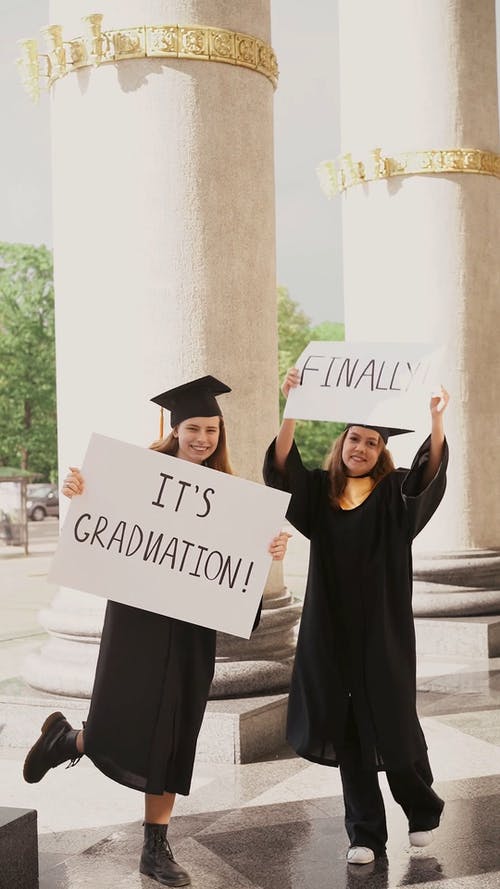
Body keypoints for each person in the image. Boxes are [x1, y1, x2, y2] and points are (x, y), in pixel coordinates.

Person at [23, 375, 290, 887]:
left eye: (212, 430)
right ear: (175, 428)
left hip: (190, 629)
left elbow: (235, 572)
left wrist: (266, 554)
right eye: (194, 427)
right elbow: (104, 526)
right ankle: (73, 740)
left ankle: (154, 845)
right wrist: (81, 493)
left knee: (172, 733)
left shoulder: (232, 497)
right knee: (120, 714)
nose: (203, 439)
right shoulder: (138, 477)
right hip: (139, 619)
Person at [263, 367, 450, 866]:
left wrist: (435, 420)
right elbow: (282, 470)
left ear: (381, 451)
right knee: (348, 733)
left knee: (393, 724)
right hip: (332, 632)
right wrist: (293, 408)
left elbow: (429, 473)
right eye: (354, 438)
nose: (361, 447)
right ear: (341, 442)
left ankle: (422, 808)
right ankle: (364, 832)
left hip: (384, 632)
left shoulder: (395, 494)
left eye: (371, 442)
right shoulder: (320, 494)